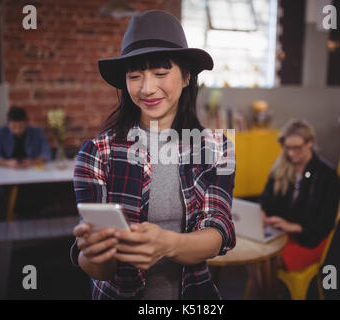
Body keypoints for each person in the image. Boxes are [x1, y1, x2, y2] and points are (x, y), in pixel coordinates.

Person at [70, 10, 236, 300]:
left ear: (186, 76)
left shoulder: (216, 148)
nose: (147, 88)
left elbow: (218, 233)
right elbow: (98, 269)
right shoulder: (98, 153)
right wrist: (95, 253)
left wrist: (167, 244)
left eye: (160, 73)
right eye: (135, 76)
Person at [259, 119, 340, 272]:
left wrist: (295, 227)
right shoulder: (281, 167)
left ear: (310, 143)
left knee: (264, 259)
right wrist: (263, 212)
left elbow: (326, 222)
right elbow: (266, 199)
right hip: (279, 232)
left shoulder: (327, 175)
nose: (291, 153)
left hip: (307, 239)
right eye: (287, 148)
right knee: (256, 254)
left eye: (297, 148)